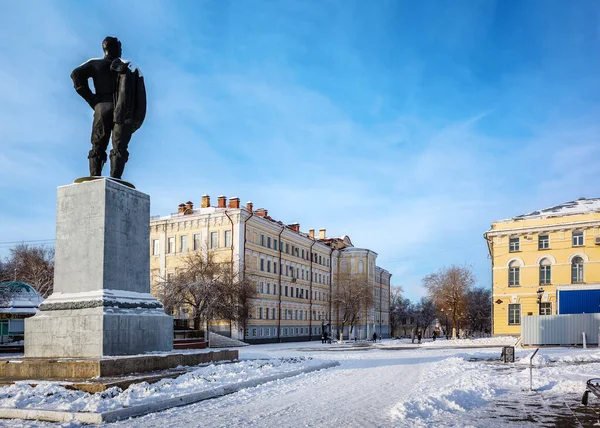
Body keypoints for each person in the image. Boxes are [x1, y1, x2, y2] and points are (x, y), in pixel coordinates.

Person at [71, 36, 146, 179]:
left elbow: (76, 75)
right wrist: (136, 119)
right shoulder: (129, 68)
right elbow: (140, 97)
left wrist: (92, 99)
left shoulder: (95, 65)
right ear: (117, 49)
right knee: (119, 146)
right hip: (123, 110)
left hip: (102, 107)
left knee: (98, 144)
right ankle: (115, 178)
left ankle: (94, 177)